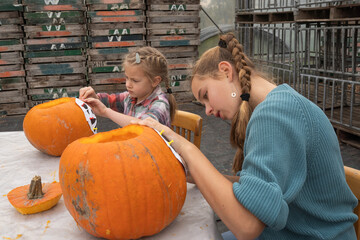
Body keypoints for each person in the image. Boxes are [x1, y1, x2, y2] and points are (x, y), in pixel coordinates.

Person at [131, 33, 358, 240]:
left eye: (206, 95)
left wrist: (187, 149)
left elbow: (247, 226)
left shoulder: (274, 114)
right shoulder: (276, 105)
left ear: (226, 71)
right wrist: (194, 175)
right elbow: (255, 191)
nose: (208, 110)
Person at [79, 46, 176, 128]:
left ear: (155, 81)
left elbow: (143, 126)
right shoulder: (131, 97)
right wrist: (94, 98)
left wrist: (106, 112)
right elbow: (110, 100)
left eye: (135, 80)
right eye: (127, 78)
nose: (128, 84)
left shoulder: (160, 104)